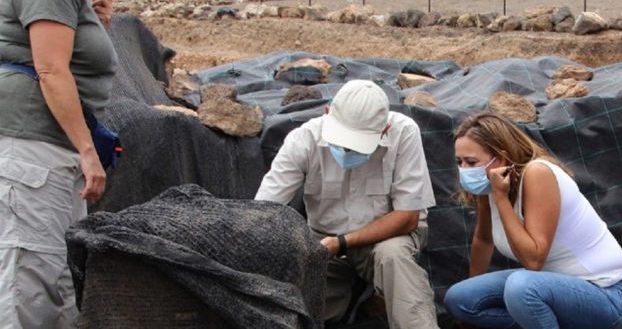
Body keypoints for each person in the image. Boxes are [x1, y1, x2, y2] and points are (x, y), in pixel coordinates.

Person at [0, 0, 140, 327]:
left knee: (53, 277)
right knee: (30, 279)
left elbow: (69, 58)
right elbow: (50, 70)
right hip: (31, 139)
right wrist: (88, 151)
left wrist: (96, 25)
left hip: (49, 144)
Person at [255, 80, 439, 328]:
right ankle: (354, 304)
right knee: (302, 310)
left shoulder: (404, 132)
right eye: (341, 142)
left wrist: (343, 242)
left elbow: (408, 217)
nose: (346, 150)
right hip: (323, 240)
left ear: (384, 129)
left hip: (388, 236)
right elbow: (264, 210)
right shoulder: (304, 139)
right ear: (327, 113)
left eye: (356, 145)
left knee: (393, 257)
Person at [444, 112, 622, 329]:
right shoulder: (490, 185)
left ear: (501, 158)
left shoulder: (537, 174)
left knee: (522, 288)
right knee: (460, 298)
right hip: (553, 287)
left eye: (471, 162)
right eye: (459, 162)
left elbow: (534, 260)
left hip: (607, 292)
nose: (464, 170)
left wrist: (501, 199)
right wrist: (469, 314)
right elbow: (483, 240)